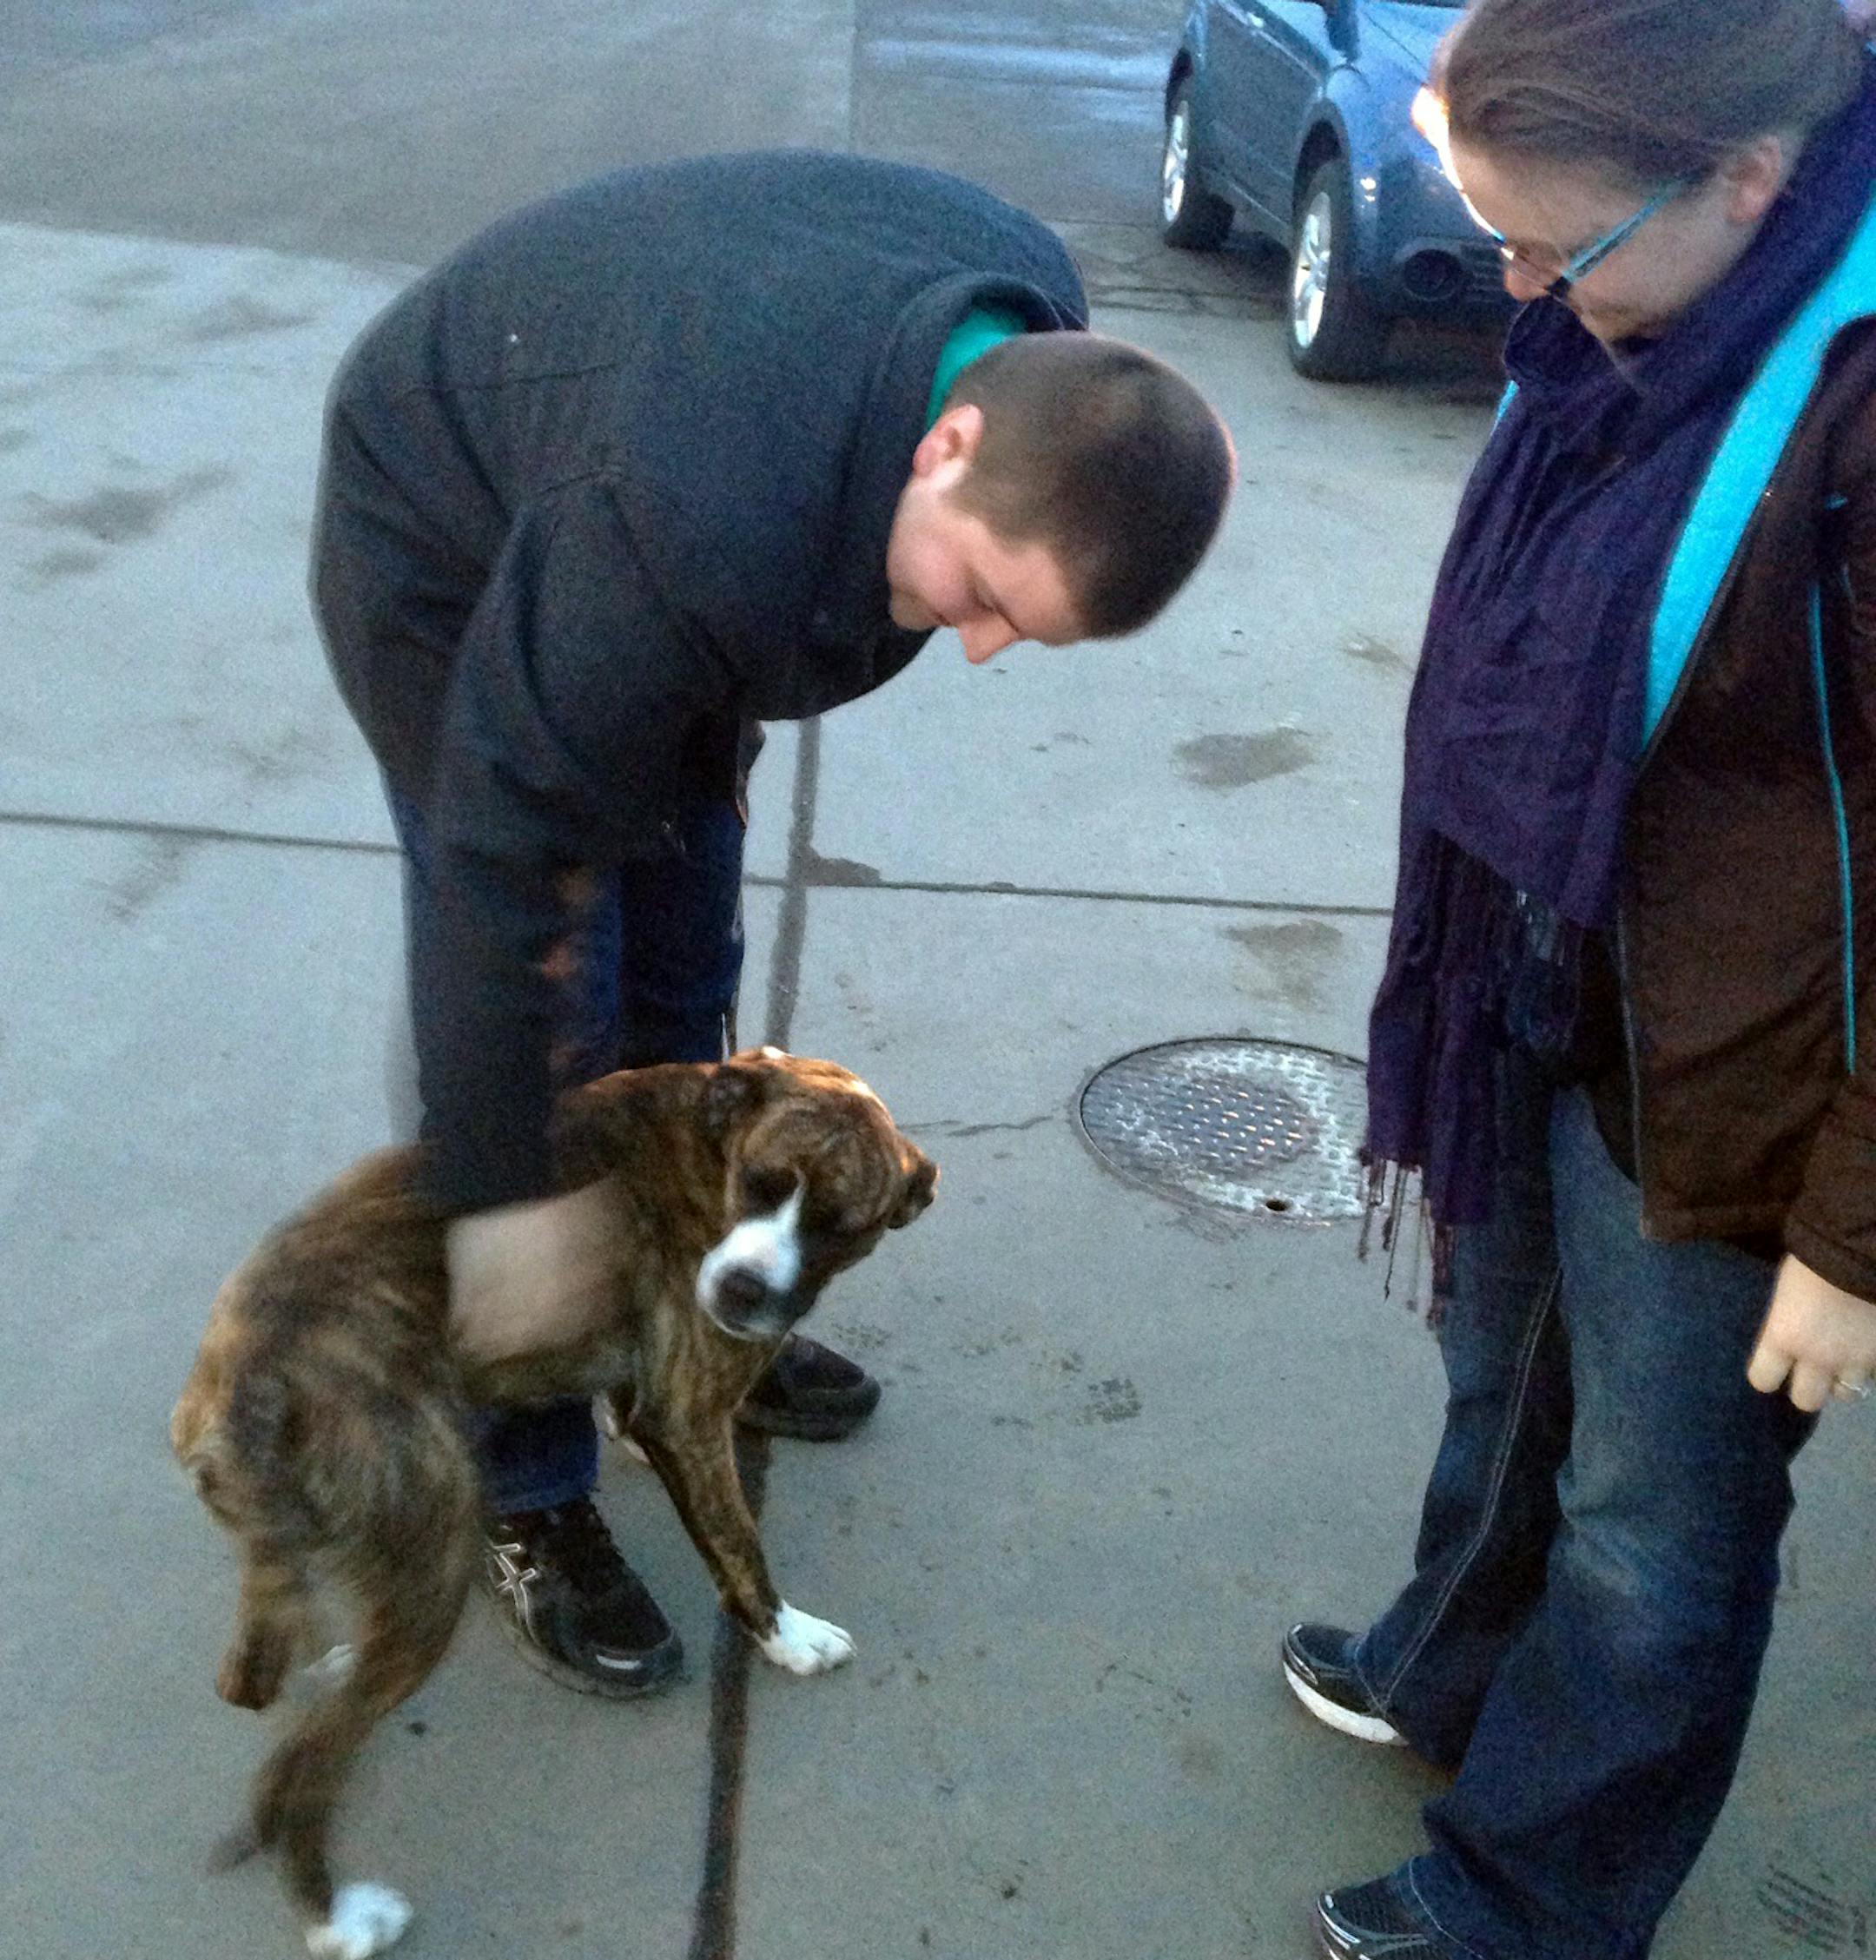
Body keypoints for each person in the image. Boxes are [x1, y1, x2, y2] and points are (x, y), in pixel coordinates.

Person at [309, 150, 1234, 1699]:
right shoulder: (684, 510)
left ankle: (684, 1334)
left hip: (658, 505)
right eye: (987, 597)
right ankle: (527, 1473)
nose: (986, 652)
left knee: (683, 970)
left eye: (1029, 629)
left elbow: (750, 607)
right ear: (947, 445)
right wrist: (510, 1227)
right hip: (453, 548)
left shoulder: (1032, 337)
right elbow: (495, 899)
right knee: (562, 1031)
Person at [1278, 3, 1876, 1955]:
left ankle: (1533, 1898)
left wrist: (1854, 1233)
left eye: (1552, 250)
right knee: (1503, 1362)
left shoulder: (1850, 402)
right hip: (1551, 970)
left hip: (1748, 1083)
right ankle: (1449, 1663)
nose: (1514, 294)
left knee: (1656, 1522)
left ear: (1751, 184)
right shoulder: (1644, 322)